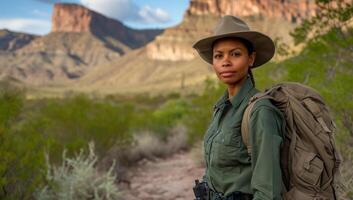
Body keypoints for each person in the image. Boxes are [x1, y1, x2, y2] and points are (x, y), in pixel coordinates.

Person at [192, 15, 284, 200]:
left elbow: (268, 191)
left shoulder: (260, 111)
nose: (226, 61)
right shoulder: (221, 108)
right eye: (219, 56)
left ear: (251, 59)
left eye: (235, 54)